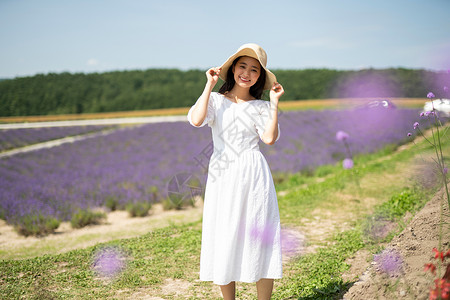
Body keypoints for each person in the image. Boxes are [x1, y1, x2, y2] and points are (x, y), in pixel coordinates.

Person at [187, 43, 284, 300]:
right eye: (243, 66)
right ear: (232, 69)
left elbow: (269, 139)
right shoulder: (217, 101)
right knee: (225, 235)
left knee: (260, 235)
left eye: (254, 70)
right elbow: (197, 120)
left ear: (259, 77)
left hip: (253, 175)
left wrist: (274, 104)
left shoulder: (261, 107)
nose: (247, 73)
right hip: (223, 175)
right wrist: (208, 85)